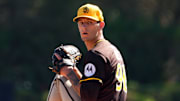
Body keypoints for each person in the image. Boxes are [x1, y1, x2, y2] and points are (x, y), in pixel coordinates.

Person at [48, 3, 127, 101]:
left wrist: (68, 72)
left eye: (89, 22)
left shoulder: (96, 54)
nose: (84, 27)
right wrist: (74, 71)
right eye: (81, 23)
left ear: (101, 25)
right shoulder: (111, 50)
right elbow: (92, 88)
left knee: (60, 79)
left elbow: (88, 98)